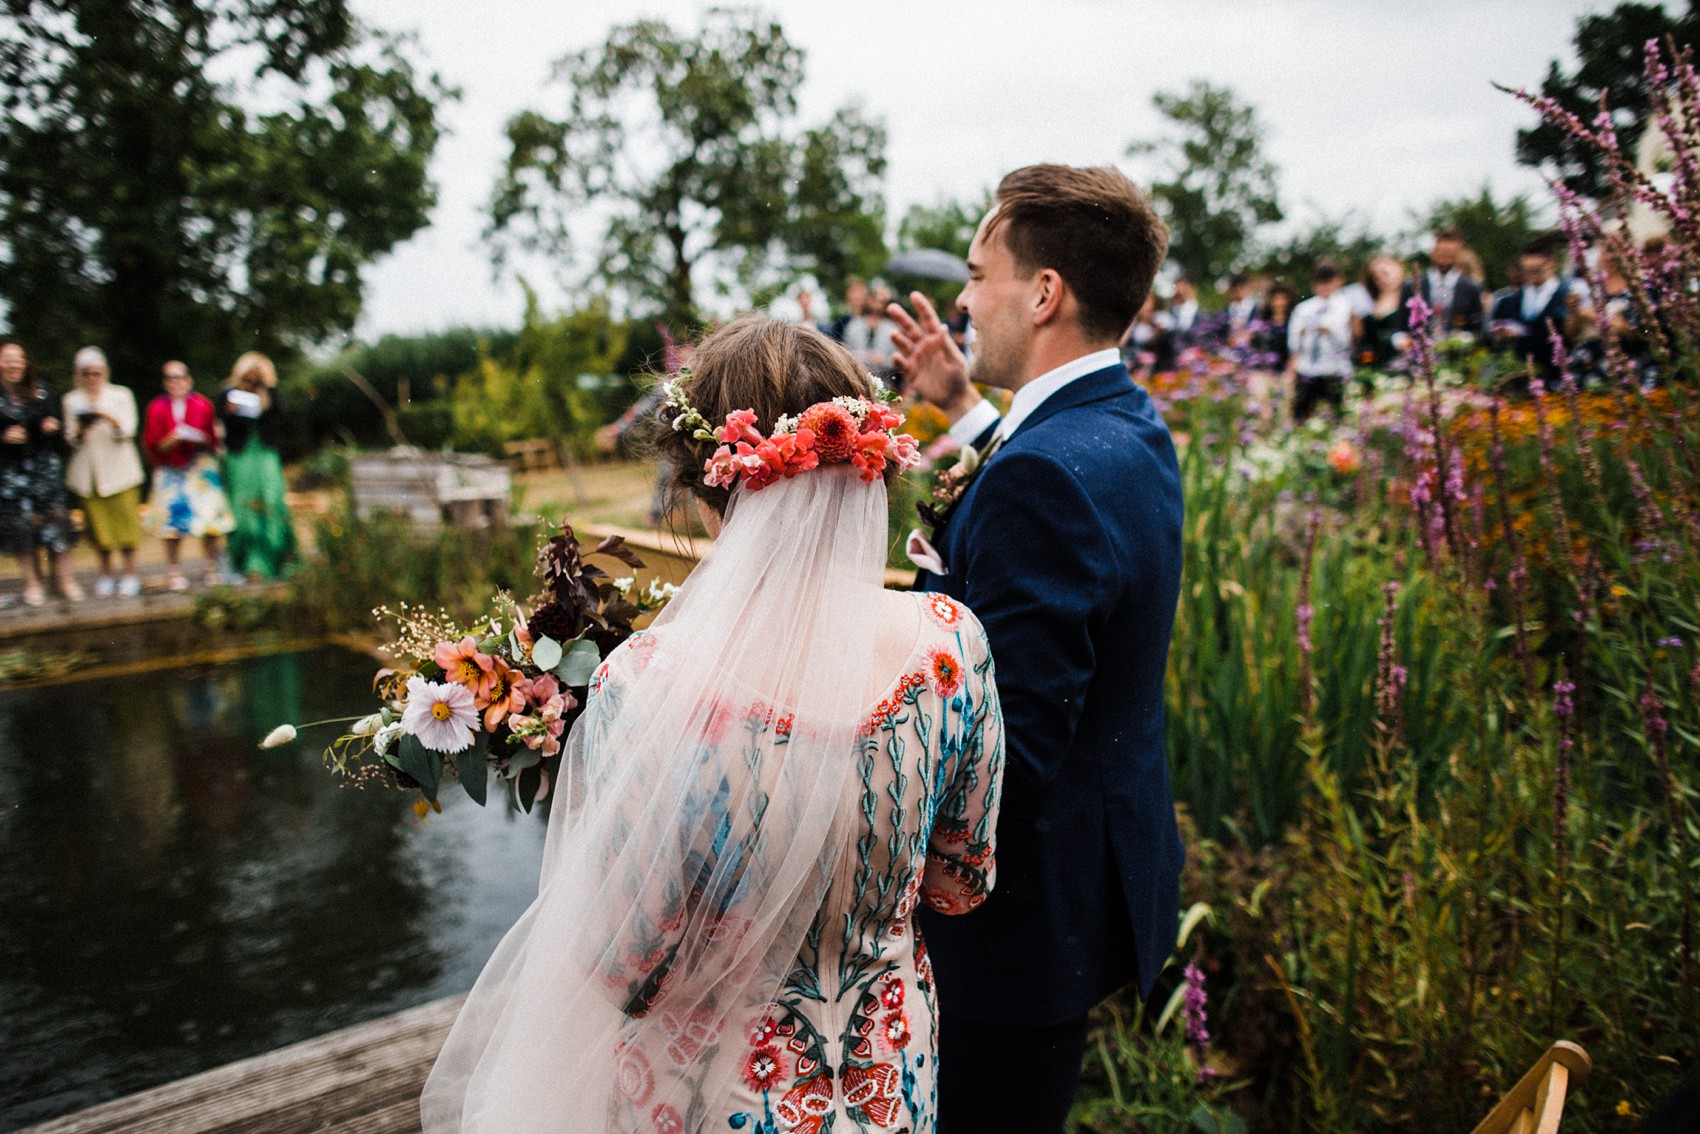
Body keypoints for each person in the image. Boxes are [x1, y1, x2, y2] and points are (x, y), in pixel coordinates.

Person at [422, 316, 1004, 1134]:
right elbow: (959, 885)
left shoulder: (653, 682)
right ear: (867, 464)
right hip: (889, 1081)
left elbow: (627, 970)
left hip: (721, 1096)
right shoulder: (954, 640)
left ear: (703, 489)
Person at [888, 163, 1184, 1134]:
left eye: (979, 273)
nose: (965, 298)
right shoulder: (1126, 426)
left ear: (1044, 291)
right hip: (1086, 883)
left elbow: (1002, 746)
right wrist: (963, 404)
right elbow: (1048, 497)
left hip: (1007, 934)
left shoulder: (1046, 474)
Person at [142, 360, 234, 590]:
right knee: (171, 522)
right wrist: (172, 439)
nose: (176, 382)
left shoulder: (203, 405)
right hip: (170, 468)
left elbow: (212, 439)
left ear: (189, 380)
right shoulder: (156, 407)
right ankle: (174, 571)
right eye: (170, 378)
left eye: (180, 377)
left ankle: (210, 567)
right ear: (165, 382)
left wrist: (198, 437)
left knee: (210, 519)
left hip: (200, 466)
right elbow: (153, 445)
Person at [0, 341, 80, 605]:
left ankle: (64, 580)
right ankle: (32, 583)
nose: (13, 364)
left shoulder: (42, 390)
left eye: (18, 359)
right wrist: (3, 436)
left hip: (44, 468)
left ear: (26, 363)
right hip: (11, 471)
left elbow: (55, 425)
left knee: (56, 520)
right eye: (7, 359)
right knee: (21, 525)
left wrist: (50, 427)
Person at [62, 347, 145, 597]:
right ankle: (106, 574)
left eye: (97, 372)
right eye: (87, 373)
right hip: (89, 474)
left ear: (105, 372)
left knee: (126, 527)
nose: (92, 377)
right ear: (79, 374)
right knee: (98, 530)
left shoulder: (121, 395)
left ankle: (130, 574)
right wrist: (82, 427)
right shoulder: (71, 400)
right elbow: (70, 439)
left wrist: (107, 417)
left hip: (121, 472)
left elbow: (129, 430)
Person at [217, 352, 295, 580]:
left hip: (265, 454)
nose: (252, 380)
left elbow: (281, 412)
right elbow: (225, 421)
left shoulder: (269, 394)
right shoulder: (228, 392)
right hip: (240, 455)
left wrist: (268, 387)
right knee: (244, 505)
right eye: (248, 376)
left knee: (271, 501)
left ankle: (276, 558)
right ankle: (250, 563)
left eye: (256, 377)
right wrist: (233, 407)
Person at [1490, 237, 1581, 385]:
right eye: (1526, 271)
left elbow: (1574, 337)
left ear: (1552, 264)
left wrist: (1575, 313)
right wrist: (1501, 335)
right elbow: (1494, 340)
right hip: (1517, 382)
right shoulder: (1507, 302)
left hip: (1558, 381)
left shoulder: (1568, 297)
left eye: (1537, 270)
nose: (1531, 275)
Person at [1285, 260, 1356, 422]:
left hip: (1336, 369)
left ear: (1338, 281)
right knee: (1301, 416)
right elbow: (1293, 343)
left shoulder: (1346, 307)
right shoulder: (1303, 308)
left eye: (1328, 281)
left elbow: (1350, 342)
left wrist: (1331, 332)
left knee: (1338, 416)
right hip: (1308, 369)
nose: (1324, 286)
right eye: (1320, 282)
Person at [1407, 226, 1484, 337]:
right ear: (1432, 252)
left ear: (1459, 254)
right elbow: (1402, 327)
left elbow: (1477, 328)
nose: (1445, 257)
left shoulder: (1472, 288)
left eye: (1451, 253)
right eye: (1441, 251)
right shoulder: (1412, 286)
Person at [1354, 253, 1411, 369]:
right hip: (1382, 368)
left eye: (1385, 273)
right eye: (1376, 276)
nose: (1382, 279)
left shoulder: (1413, 298)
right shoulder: (1369, 307)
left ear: (1398, 268)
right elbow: (1366, 348)